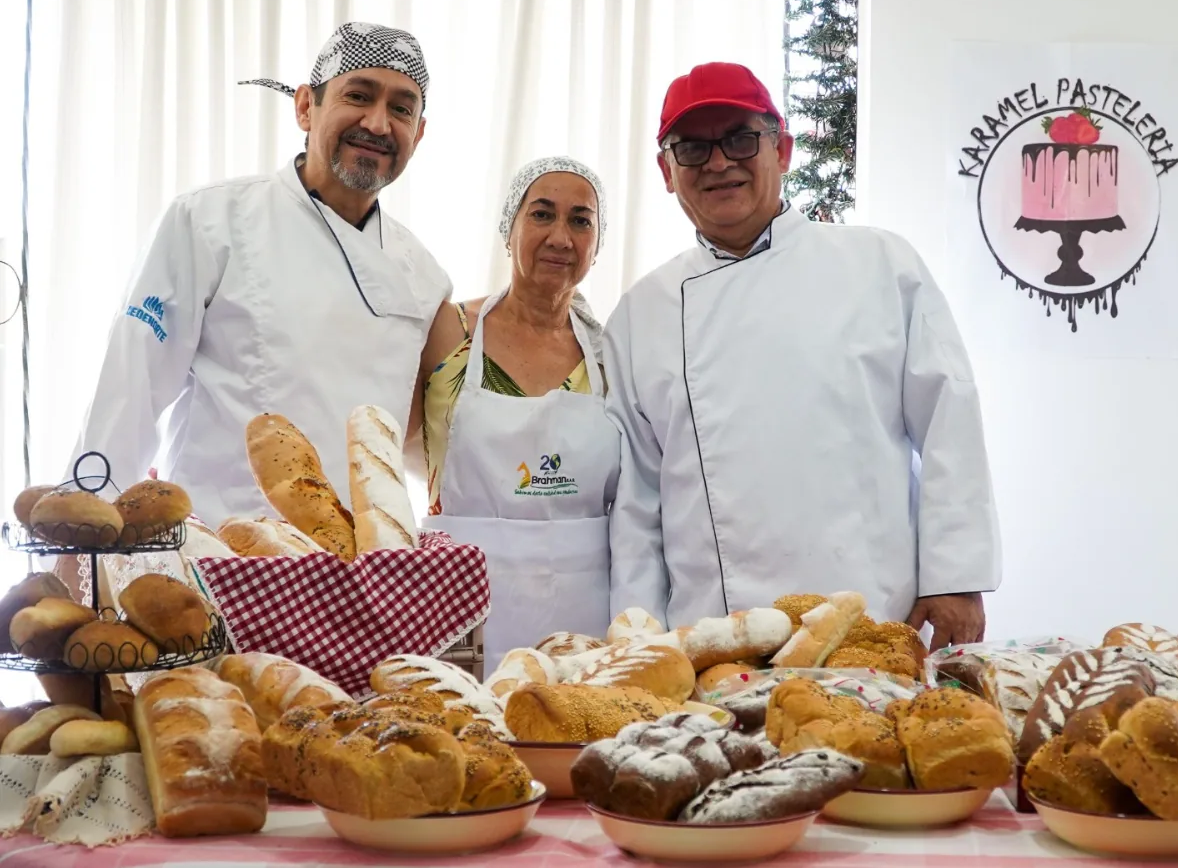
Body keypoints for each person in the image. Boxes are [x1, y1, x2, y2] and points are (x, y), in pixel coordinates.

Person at [603, 62, 1000, 651]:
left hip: (873, 618)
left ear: (782, 150)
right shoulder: (640, 313)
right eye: (692, 148)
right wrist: (639, 640)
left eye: (740, 138)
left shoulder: (880, 265)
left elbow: (950, 421)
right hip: (712, 636)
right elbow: (637, 500)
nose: (718, 163)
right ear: (667, 171)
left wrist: (957, 577)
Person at [67, 23, 451, 528]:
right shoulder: (209, 223)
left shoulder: (425, 277)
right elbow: (130, 387)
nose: (378, 124)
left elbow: (424, 443)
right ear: (305, 107)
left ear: (419, 133)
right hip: (220, 560)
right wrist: (83, 537)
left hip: (362, 578)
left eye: (402, 108)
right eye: (358, 95)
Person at [409, 157, 618, 676]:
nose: (561, 237)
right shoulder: (449, 330)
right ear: (510, 229)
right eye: (542, 215)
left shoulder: (610, 353)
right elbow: (402, 444)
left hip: (582, 618)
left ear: (597, 243)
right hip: (457, 610)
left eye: (581, 220)